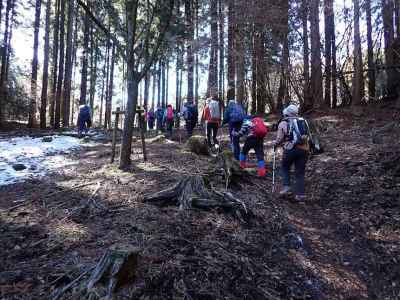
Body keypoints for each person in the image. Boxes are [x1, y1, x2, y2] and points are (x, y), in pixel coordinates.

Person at [273, 104, 310, 201]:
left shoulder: (284, 123)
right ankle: (300, 194)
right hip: (304, 149)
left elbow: (280, 138)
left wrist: (275, 144)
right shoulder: (303, 121)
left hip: (290, 149)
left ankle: (287, 187)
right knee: (300, 172)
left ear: (286, 113)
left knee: (285, 167)